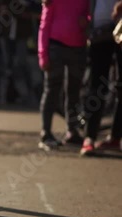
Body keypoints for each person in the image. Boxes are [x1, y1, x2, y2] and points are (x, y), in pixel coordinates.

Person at [37, 0, 90, 151]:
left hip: (78, 48)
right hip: (55, 47)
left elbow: (90, 16)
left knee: (73, 90)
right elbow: (44, 25)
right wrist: (43, 55)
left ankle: (72, 130)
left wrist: (86, 21)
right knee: (52, 89)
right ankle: (46, 133)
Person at [81, 0, 122, 155]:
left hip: (121, 25)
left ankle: (116, 137)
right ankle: (89, 137)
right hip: (100, 30)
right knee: (97, 85)